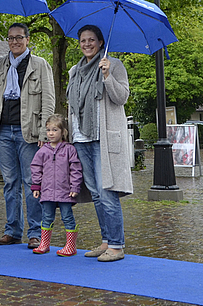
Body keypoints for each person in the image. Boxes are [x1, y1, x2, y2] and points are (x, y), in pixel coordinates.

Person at [0, 23, 55, 249]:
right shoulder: (1, 63)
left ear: (28, 39)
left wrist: (45, 132)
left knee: (31, 183)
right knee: (10, 183)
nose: (15, 42)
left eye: (19, 38)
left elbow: (48, 100)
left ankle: (36, 233)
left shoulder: (40, 65)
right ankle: (12, 231)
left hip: (28, 131)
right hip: (3, 129)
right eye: (11, 38)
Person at [67, 24, 133, 262]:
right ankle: (106, 241)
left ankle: (117, 245)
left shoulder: (113, 65)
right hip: (81, 138)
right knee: (95, 193)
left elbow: (121, 97)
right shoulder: (75, 70)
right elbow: (72, 106)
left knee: (107, 192)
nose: (87, 44)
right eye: (83, 40)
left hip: (103, 139)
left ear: (101, 42)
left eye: (92, 40)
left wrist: (106, 76)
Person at [30, 114, 82, 256]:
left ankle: (71, 246)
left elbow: (75, 169)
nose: (51, 133)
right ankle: (44, 244)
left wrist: (75, 187)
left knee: (67, 216)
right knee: (46, 216)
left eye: (54, 130)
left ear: (63, 132)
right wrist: (36, 186)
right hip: (47, 191)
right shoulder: (43, 151)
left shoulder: (69, 150)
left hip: (65, 191)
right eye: (48, 130)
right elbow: (36, 168)